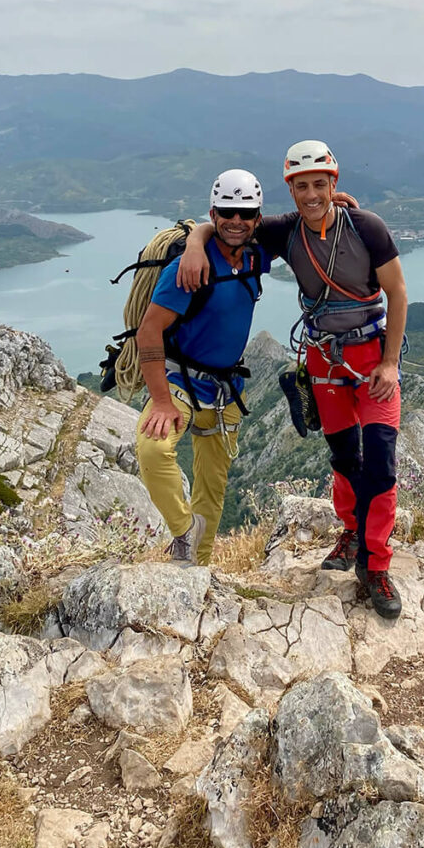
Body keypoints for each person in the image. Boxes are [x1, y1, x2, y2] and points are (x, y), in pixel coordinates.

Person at [180, 140, 408, 617]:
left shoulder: (367, 228)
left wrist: (389, 364)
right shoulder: (283, 232)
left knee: (381, 462)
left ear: (334, 183)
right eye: (301, 186)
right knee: (344, 455)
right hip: (324, 359)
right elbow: (224, 225)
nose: (311, 194)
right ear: (290, 189)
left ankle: (377, 565)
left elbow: (398, 292)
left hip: (370, 358)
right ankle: (350, 531)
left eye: (319, 184)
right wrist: (196, 245)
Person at [135, 169, 270, 566]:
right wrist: (161, 402)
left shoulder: (258, 254)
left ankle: (199, 565)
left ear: (257, 218)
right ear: (214, 212)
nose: (236, 221)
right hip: (181, 380)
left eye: (246, 213)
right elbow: (149, 333)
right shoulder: (188, 269)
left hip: (226, 390)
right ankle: (183, 530)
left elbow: (306, 219)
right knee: (152, 449)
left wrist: (339, 204)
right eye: (227, 211)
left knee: (212, 487)